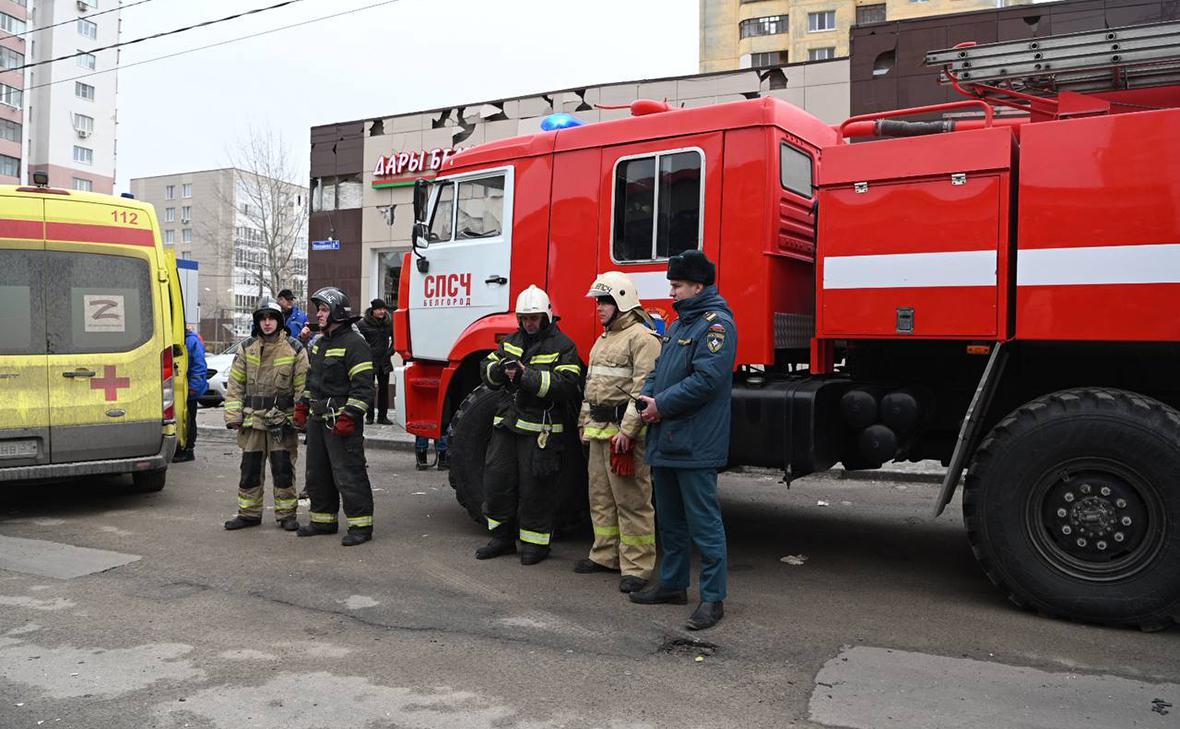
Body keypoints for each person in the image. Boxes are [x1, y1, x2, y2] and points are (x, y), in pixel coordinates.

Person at [629, 250, 736, 631]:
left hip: (694, 442)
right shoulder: (679, 325)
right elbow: (660, 369)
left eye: (676, 285)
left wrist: (661, 405)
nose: (671, 291)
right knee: (671, 521)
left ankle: (712, 599)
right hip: (669, 437)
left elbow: (707, 381)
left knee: (704, 523)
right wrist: (646, 396)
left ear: (697, 285)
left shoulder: (716, 326)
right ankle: (673, 585)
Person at [475, 285, 584, 565]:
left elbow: (567, 387)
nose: (529, 323)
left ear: (546, 316)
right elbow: (486, 370)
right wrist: (499, 370)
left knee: (536, 489)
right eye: (524, 318)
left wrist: (526, 376)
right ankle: (501, 538)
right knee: (497, 481)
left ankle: (536, 544)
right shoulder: (511, 341)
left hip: (540, 430)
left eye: (534, 318)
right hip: (507, 426)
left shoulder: (564, 346)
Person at [575, 272, 661, 593]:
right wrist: (585, 422)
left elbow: (642, 390)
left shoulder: (643, 339)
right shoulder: (604, 339)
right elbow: (591, 386)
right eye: (598, 301)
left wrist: (628, 431)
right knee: (600, 497)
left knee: (632, 500)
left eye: (604, 302)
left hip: (624, 436)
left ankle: (637, 566)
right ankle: (605, 555)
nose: (598, 308)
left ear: (622, 302)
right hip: (599, 431)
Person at [294, 287, 377, 546]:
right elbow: (313, 381)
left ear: (337, 313)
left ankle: (361, 526)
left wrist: (350, 416)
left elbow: (364, 387)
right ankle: (323, 520)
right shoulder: (320, 344)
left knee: (349, 473)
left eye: (323, 309)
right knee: (317, 473)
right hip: (318, 421)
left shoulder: (355, 344)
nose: (318, 314)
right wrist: (303, 405)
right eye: (318, 309)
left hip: (342, 422)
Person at [222, 298, 310, 531]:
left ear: (279, 321)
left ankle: (286, 515)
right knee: (249, 469)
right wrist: (233, 416)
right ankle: (249, 513)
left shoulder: (294, 348)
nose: (267, 323)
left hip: (282, 420)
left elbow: (303, 385)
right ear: (257, 322)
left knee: (283, 469)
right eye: (263, 318)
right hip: (252, 420)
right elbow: (235, 385)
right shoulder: (246, 347)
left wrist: (301, 416)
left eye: (271, 318)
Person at [356, 298, 394, 425]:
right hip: (369, 361)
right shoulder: (362, 324)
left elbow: (396, 340)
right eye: (379, 309)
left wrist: (390, 352)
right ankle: (369, 416)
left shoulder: (389, 323)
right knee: (369, 389)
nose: (382, 311)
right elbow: (359, 342)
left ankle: (383, 416)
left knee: (384, 389)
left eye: (383, 309)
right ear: (373, 310)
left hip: (384, 361)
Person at [173, 325, 207, 463]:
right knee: (182, 418)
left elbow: (199, 366)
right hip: (181, 388)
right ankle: (180, 448)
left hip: (188, 389)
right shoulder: (187, 340)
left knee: (188, 419)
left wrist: (193, 387)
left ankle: (188, 450)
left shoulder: (191, 341)